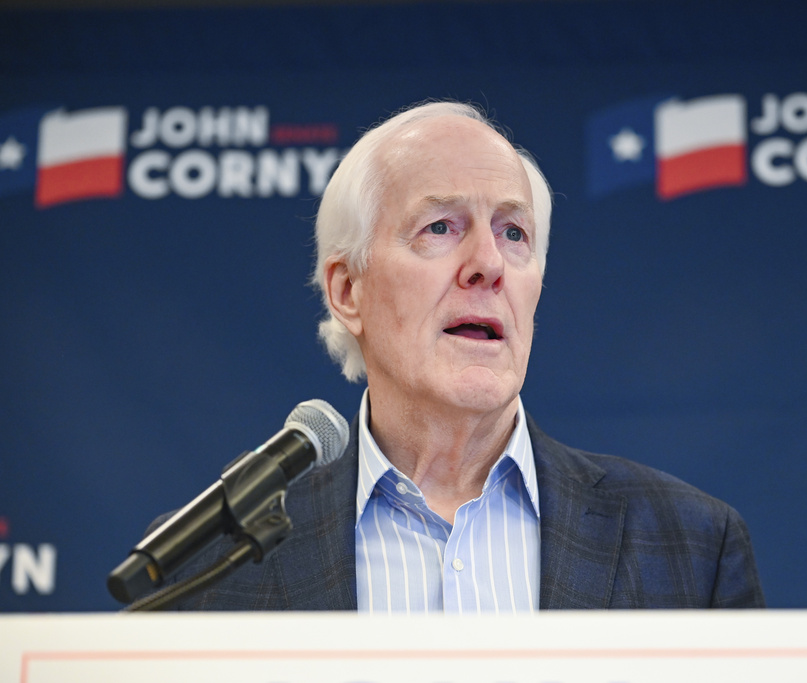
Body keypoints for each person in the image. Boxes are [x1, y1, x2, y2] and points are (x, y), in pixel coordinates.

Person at [156, 101, 764, 611]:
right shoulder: (221, 561)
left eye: (513, 233)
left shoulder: (693, 547)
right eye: (441, 227)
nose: (489, 264)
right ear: (348, 291)